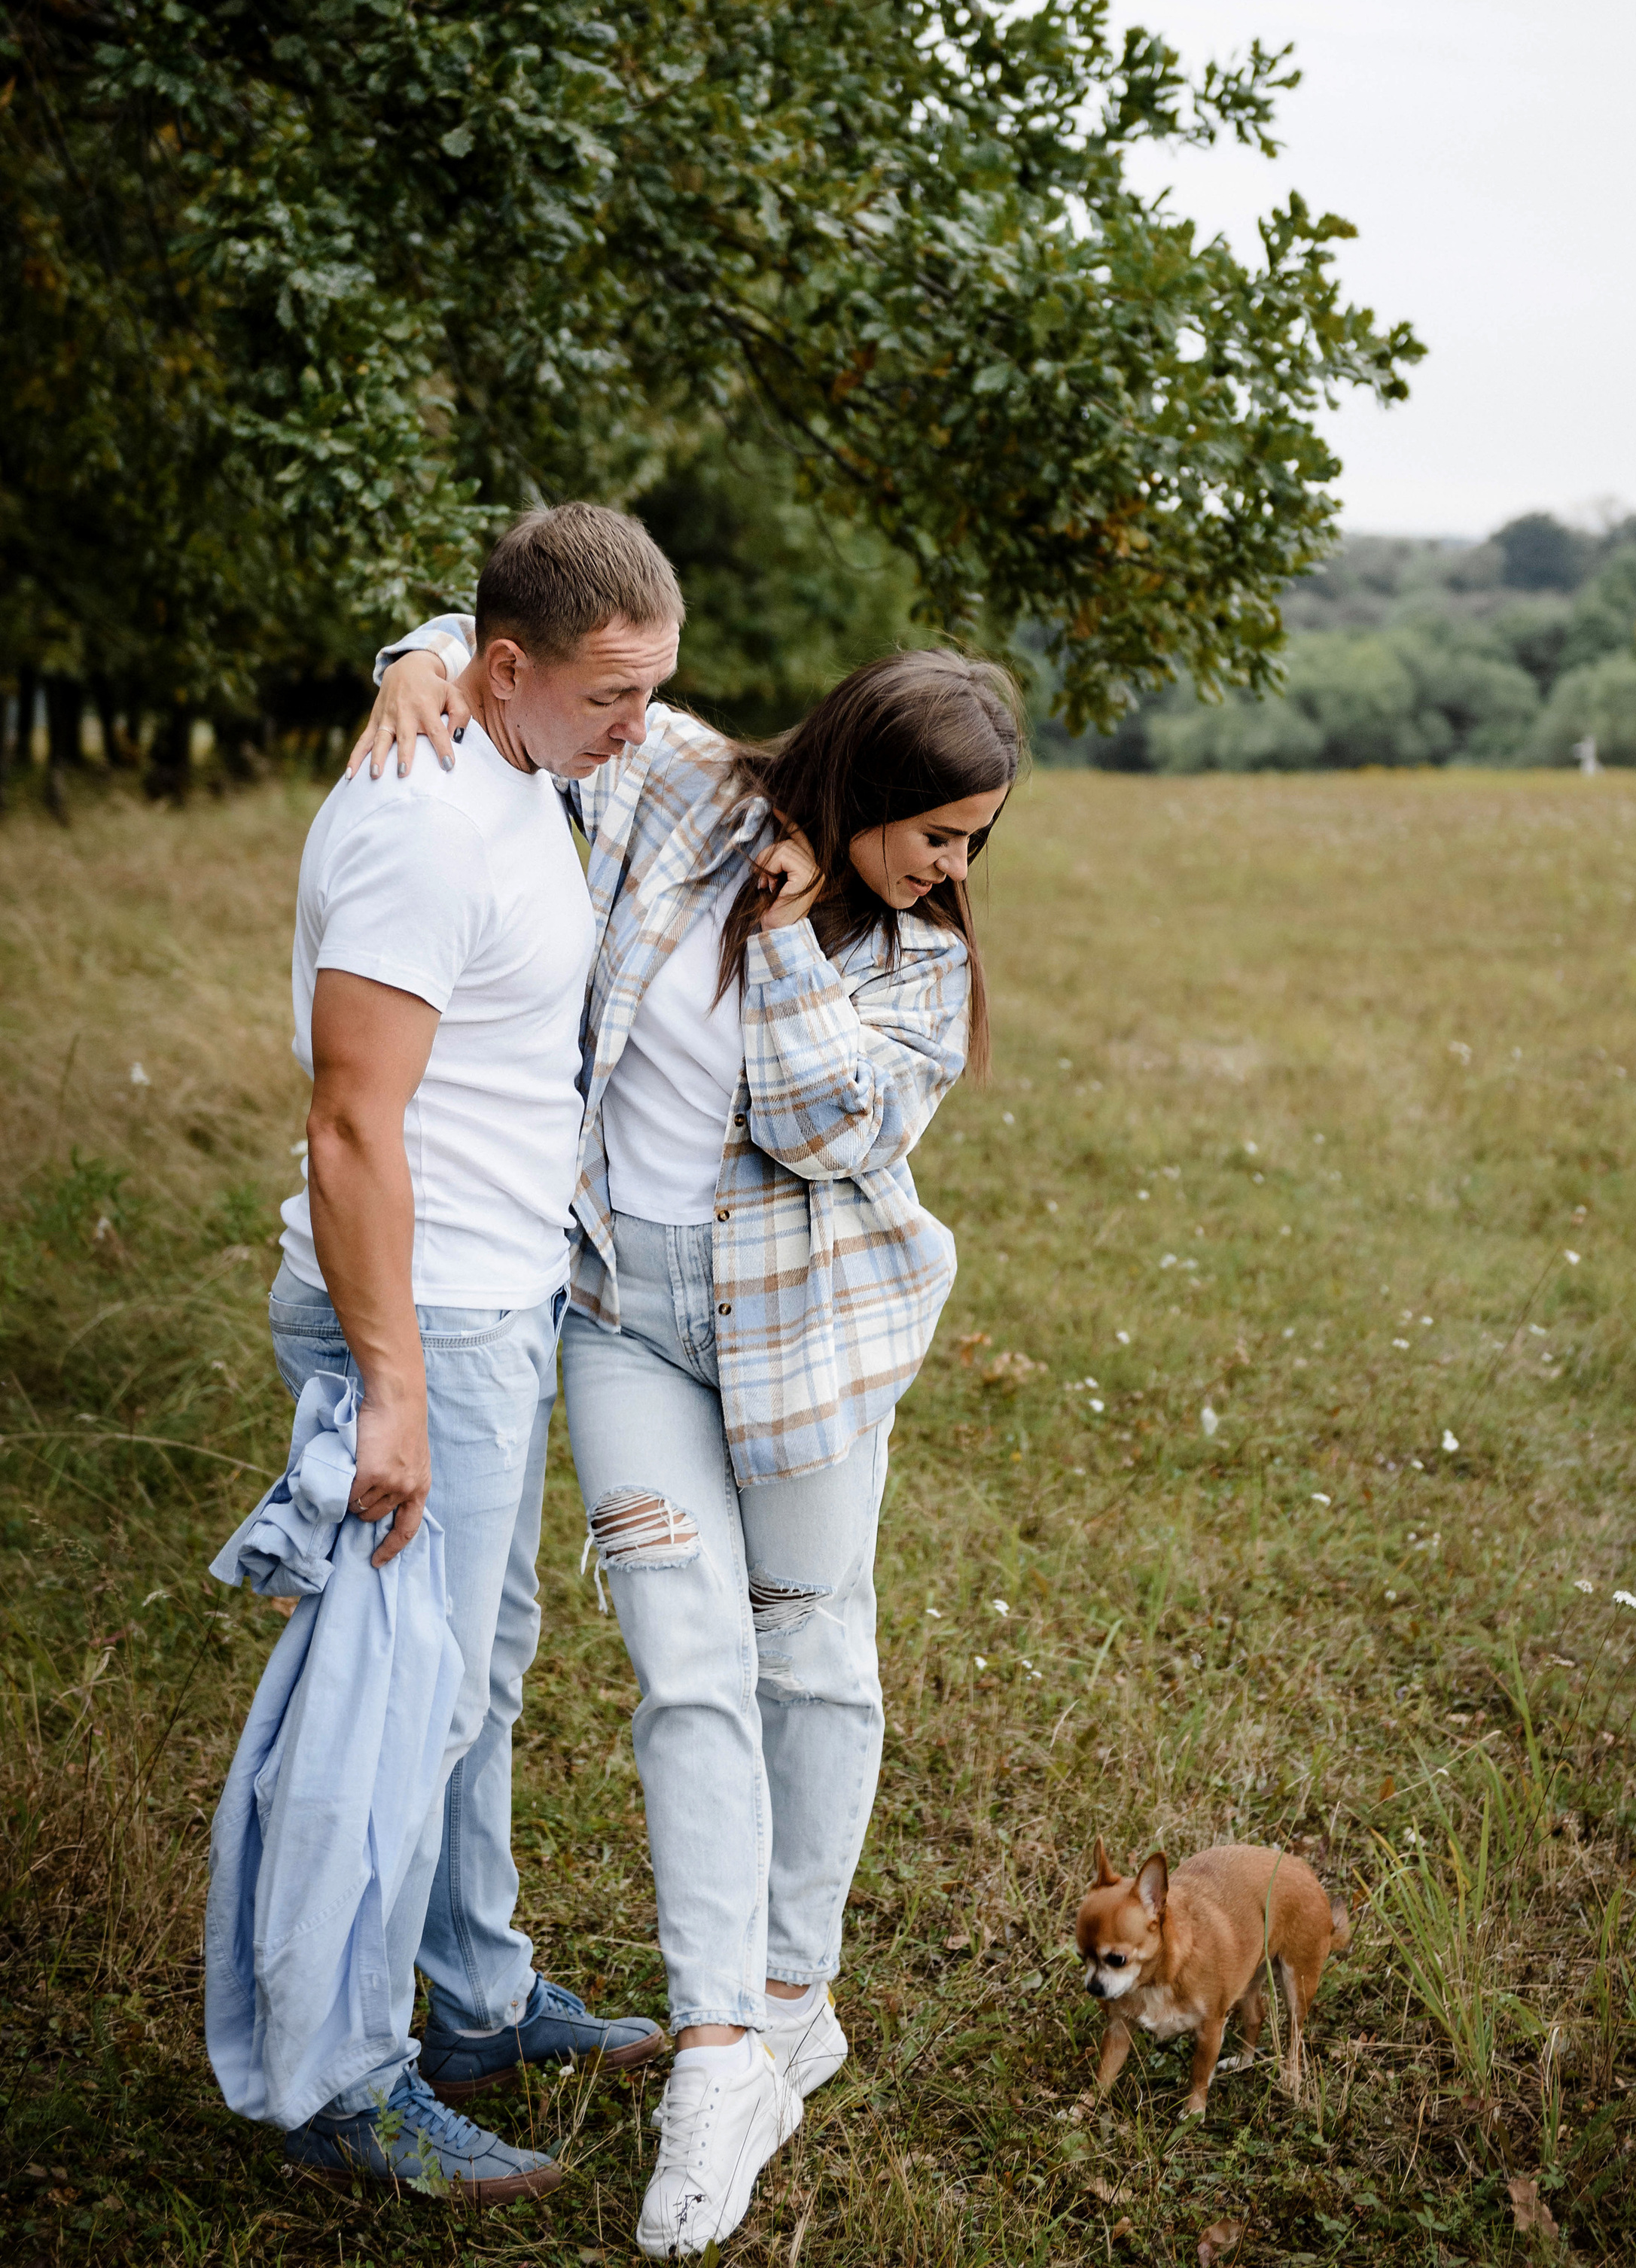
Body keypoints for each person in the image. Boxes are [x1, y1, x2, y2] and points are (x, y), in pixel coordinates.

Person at [364, 632, 1022, 2254]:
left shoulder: (921, 969)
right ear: (862, 777)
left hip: (812, 1344)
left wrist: (789, 941)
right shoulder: (682, 783)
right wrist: (413, 661)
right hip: (626, 1324)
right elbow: (532, 651)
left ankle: (795, 1999)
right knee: (685, 1669)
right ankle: (718, 2054)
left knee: (813, 1663)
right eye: (940, 831)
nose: (957, 869)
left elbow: (828, 1128)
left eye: (976, 843)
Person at [257, 504, 684, 2202]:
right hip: (421, 1315)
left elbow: (481, 621)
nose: (636, 728)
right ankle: (345, 2082)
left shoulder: (511, 729)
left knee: (469, 1678)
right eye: (612, 697)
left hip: (500, 1302)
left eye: (652, 691)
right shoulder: (426, 827)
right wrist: (396, 1388)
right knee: (388, 1713)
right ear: (510, 672)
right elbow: (349, 1124)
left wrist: (421, 648)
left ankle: (477, 2004)